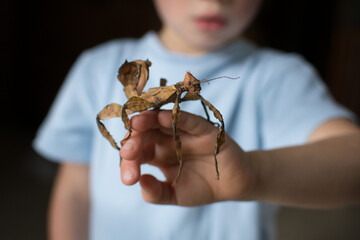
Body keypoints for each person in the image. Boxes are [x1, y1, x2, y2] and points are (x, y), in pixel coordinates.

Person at [33, 0, 360, 239]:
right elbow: (73, 190)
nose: (214, 1)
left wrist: (254, 172)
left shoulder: (280, 76)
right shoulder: (95, 68)